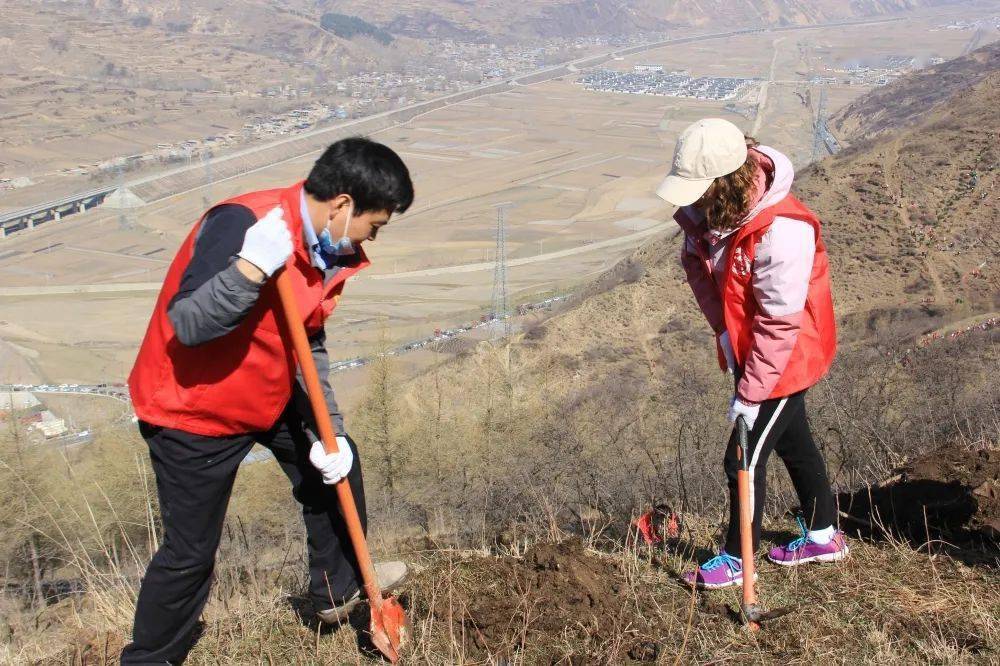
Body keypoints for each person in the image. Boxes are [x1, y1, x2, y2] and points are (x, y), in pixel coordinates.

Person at [122, 137, 414, 662]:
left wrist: (333, 432)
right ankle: (148, 659)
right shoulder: (244, 226)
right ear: (342, 205)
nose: (374, 237)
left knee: (336, 467)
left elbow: (311, 340)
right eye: (376, 224)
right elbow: (188, 324)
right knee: (190, 555)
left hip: (266, 385)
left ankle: (336, 592)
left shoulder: (324, 247)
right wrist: (250, 269)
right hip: (193, 407)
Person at [655, 119, 848, 590]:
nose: (693, 201)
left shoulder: (782, 231)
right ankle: (823, 534)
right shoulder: (711, 214)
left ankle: (737, 558)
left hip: (786, 354)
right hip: (753, 347)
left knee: (741, 456)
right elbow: (698, 269)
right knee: (792, 439)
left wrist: (750, 392)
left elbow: (780, 323)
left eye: (701, 190)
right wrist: (723, 331)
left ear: (725, 182)